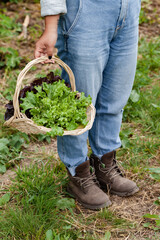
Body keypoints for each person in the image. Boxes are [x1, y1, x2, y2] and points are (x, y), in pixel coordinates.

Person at [35, 0, 140, 210]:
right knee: (79, 104)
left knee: (114, 98)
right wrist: (51, 24)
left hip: (128, 8)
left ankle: (105, 164)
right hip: (85, 12)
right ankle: (78, 172)